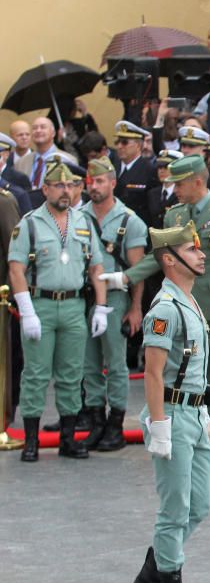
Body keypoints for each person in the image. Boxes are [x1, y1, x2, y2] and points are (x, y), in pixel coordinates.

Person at [109, 156, 210, 422]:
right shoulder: (176, 213)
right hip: (186, 305)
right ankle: (203, 419)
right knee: (194, 370)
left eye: (179, 184)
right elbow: (160, 255)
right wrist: (126, 278)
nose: (174, 189)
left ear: (197, 181)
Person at [126, 221, 210, 583]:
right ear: (170, 260)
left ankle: (149, 579)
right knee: (175, 511)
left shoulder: (189, 300)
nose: (201, 254)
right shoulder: (165, 308)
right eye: (191, 250)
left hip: (195, 415)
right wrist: (159, 424)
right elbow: (154, 372)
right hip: (173, 415)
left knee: (199, 506)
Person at [9, 162, 109, 462]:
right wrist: (26, 311)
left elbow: (96, 267)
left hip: (74, 306)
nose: (66, 191)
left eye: (71, 186)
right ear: (46, 189)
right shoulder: (29, 223)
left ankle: (68, 439)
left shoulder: (84, 221)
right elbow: (16, 269)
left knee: (71, 374)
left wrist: (101, 307)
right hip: (41, 304)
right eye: (59, 186)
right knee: (36, 375)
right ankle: (31, 440)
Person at [79, 156, 148, 452]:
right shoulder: (78, 217)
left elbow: (138, 270)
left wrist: (136, 308)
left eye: (100, 181)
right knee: (88, 364)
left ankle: (116, 423)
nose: (95, 186)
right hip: (84, 297)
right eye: (91, 182)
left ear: (112, 183)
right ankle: (96, 420)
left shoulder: (128, 220)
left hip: (117, 298)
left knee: (116, 364)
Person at [111, 120, 159, 229]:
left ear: (138, 145)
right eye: (117, 142)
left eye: (124, 142)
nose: (119, 146)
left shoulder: (149, 170)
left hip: (137, 228)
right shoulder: (113, 167)